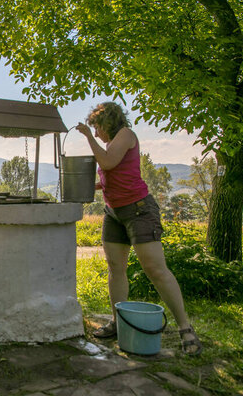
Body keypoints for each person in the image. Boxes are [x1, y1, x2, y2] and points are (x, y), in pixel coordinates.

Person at [76, 102, 202, 356]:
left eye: (96, 127)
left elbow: (109, 163)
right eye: (93, 130)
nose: (96, 132)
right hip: (114, 213)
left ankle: (185, 328)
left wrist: (89, 139)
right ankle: (117, 321)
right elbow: (110, 176)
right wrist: (80, 185)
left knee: (155, 269)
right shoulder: (111, 144)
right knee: (116, 269)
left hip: (138, 210)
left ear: (107, 122)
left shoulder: (125, 136)